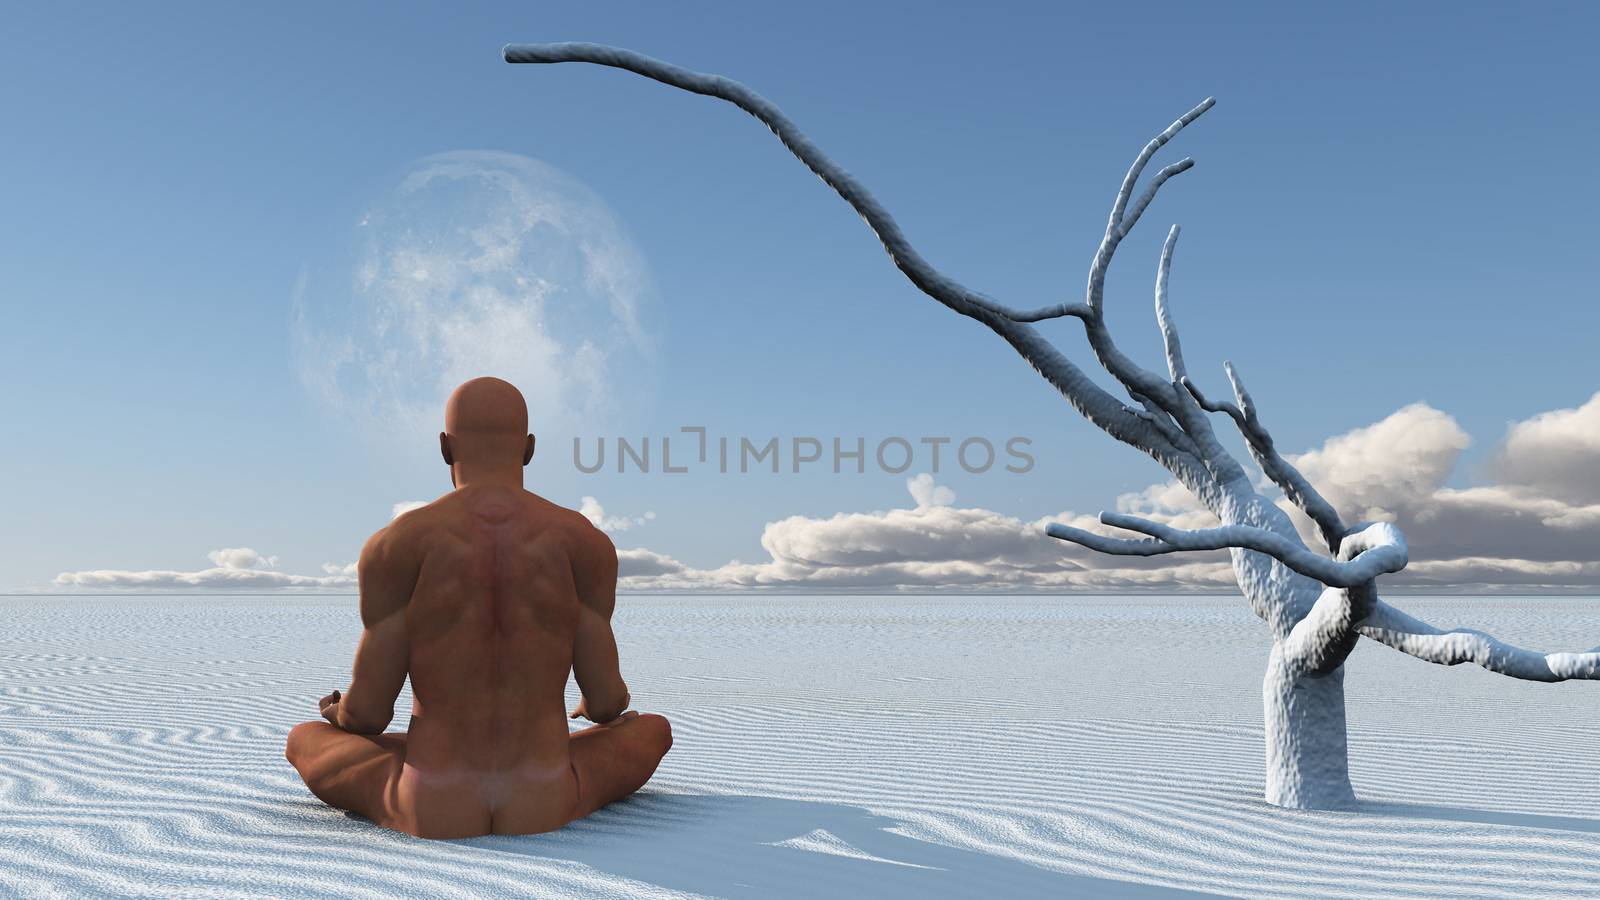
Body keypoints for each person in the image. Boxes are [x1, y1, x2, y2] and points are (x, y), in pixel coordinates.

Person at [285, 376, 671, 838]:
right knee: (652, 728)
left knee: (302, 738)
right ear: (528, 448)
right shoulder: (583, 543)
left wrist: (340, 714)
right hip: (547, 797)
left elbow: (369, 716)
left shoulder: (397, 545)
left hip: (427, 801)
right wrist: (600, 704)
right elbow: (608, 706)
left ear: (446, 448)